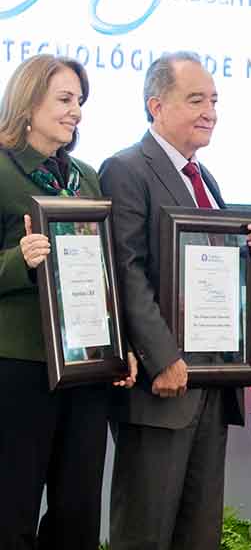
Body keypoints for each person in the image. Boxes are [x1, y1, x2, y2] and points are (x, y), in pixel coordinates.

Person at [99, 51, 251, 550]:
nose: (211, 112)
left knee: (198, 535)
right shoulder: (126, 168)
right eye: (196, 99)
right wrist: (163, 358)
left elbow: (213, 269)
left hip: (211, 384)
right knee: (145, 532)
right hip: (162, 387)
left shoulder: (205, 178)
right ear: (156, 105)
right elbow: (125, 270)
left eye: (214, 100)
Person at [0, 54, 136, 550]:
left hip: (85, 366)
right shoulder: (1, 169)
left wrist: (122, 345)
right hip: (20, 365)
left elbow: (107, 271)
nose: (75, 110)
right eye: (63, 99)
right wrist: (19, 259)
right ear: (28, 102)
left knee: (78, 511)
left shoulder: (85, 175)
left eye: (79, 100)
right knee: (11, 507)